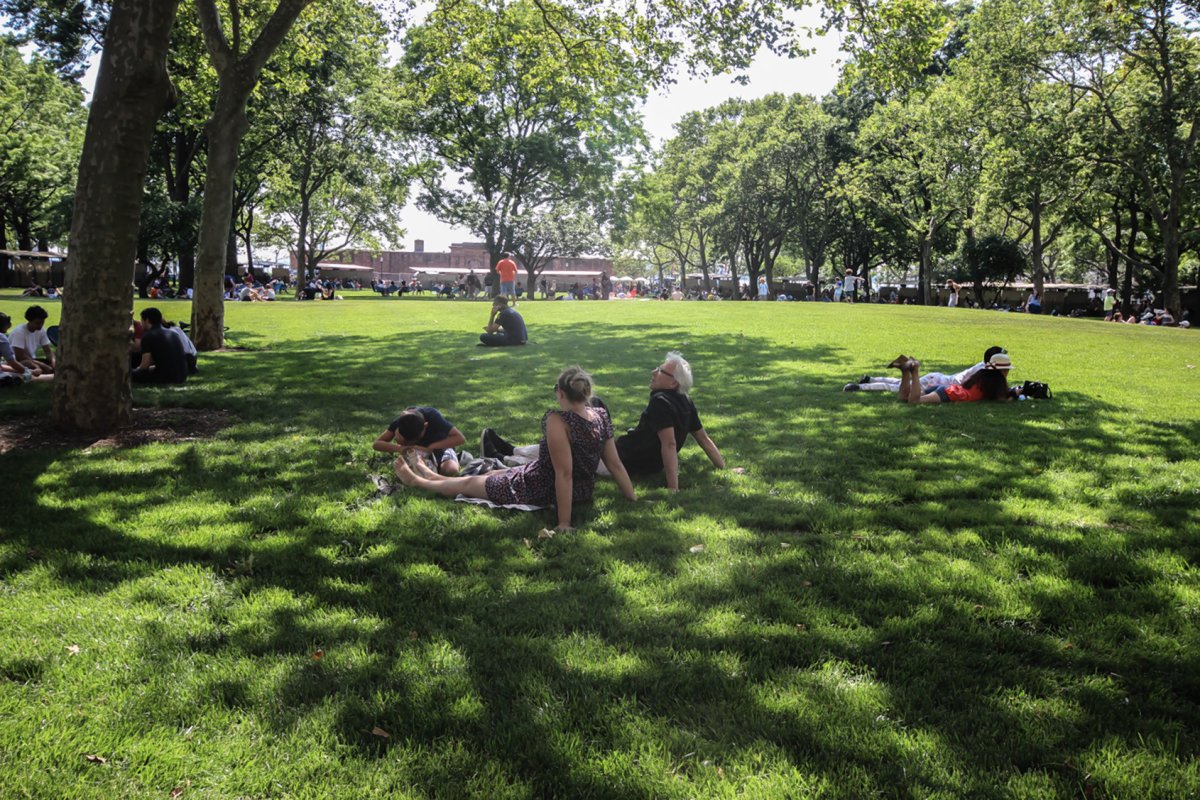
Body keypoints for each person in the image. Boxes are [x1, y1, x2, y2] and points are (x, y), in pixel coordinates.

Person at [394, 367, 636, 531]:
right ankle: (433, 475)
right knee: (489, 475)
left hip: (540, 487)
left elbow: (564, 474)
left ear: (561, 393)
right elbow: (614, 464)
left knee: (469, 485)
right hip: (571, 487)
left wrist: (564, 523)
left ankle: (418, 481)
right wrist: (632, 498)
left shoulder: (558, 420)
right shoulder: (601, 416)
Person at [482, 352, 726, 492]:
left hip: (619, 461)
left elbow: (669, 444)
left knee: (570, 448)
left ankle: (506, 456)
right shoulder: (685, 400)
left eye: (661, 371)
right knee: (594, 403)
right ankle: (511, 450)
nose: (653, 372)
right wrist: (722, 467)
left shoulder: (662, 402)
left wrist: (673, 488)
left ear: (673, 383)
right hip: (626, 454)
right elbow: (702, 437)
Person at [845, 346, 1007, 393]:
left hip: (937, 378)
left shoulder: (983, 366)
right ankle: (860, 387)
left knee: (901, 382)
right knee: (897, 388)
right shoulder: (986, 371)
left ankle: (871, 379)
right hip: (937, 383)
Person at [373, 406, 466, 476]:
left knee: (450, 471)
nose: (415, 441)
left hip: (440, 448)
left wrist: (431, 447)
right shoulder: (401, 422)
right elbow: (377, 444)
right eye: (410, 440)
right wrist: (400, 448)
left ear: (426, 425)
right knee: (410, 473)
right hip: (416, 453)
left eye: (416, 438)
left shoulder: (432, 415)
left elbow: (460, 438)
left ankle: (451, 461)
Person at [895, 351, 1013, 403]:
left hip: (947, 389)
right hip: (949, 394)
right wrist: (1014, 396)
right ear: (1003, 371)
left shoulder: (983, 376)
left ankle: (905, 372)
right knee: (914, 401)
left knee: (904, 398)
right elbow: (1001, 400)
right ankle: (915, 371)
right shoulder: (995, 385)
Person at [132, 307, 188, 384]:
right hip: (182, 375)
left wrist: (134, 371)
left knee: (131, 374)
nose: (141, 323)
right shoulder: (173, 333)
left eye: (142, 320)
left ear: (147, 320)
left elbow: (144, 366)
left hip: (166, 378)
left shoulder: (148, 336)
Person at [10, 305, 56, 375]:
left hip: (32, 360)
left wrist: (53, 362)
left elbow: (48, 351)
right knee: (29, 364)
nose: (40, 325)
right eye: (37, 323)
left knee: (56, 361)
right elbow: (20, 356)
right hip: (19, 362)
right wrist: (43, 365)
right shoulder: (19, 332)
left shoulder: (42, 331)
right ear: (30, 321)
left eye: (42, 322)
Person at [0, 312, 35, 383]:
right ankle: (52, 377)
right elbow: (12, 361)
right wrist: (27, 371)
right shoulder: (2, 339)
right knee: (25, 377)